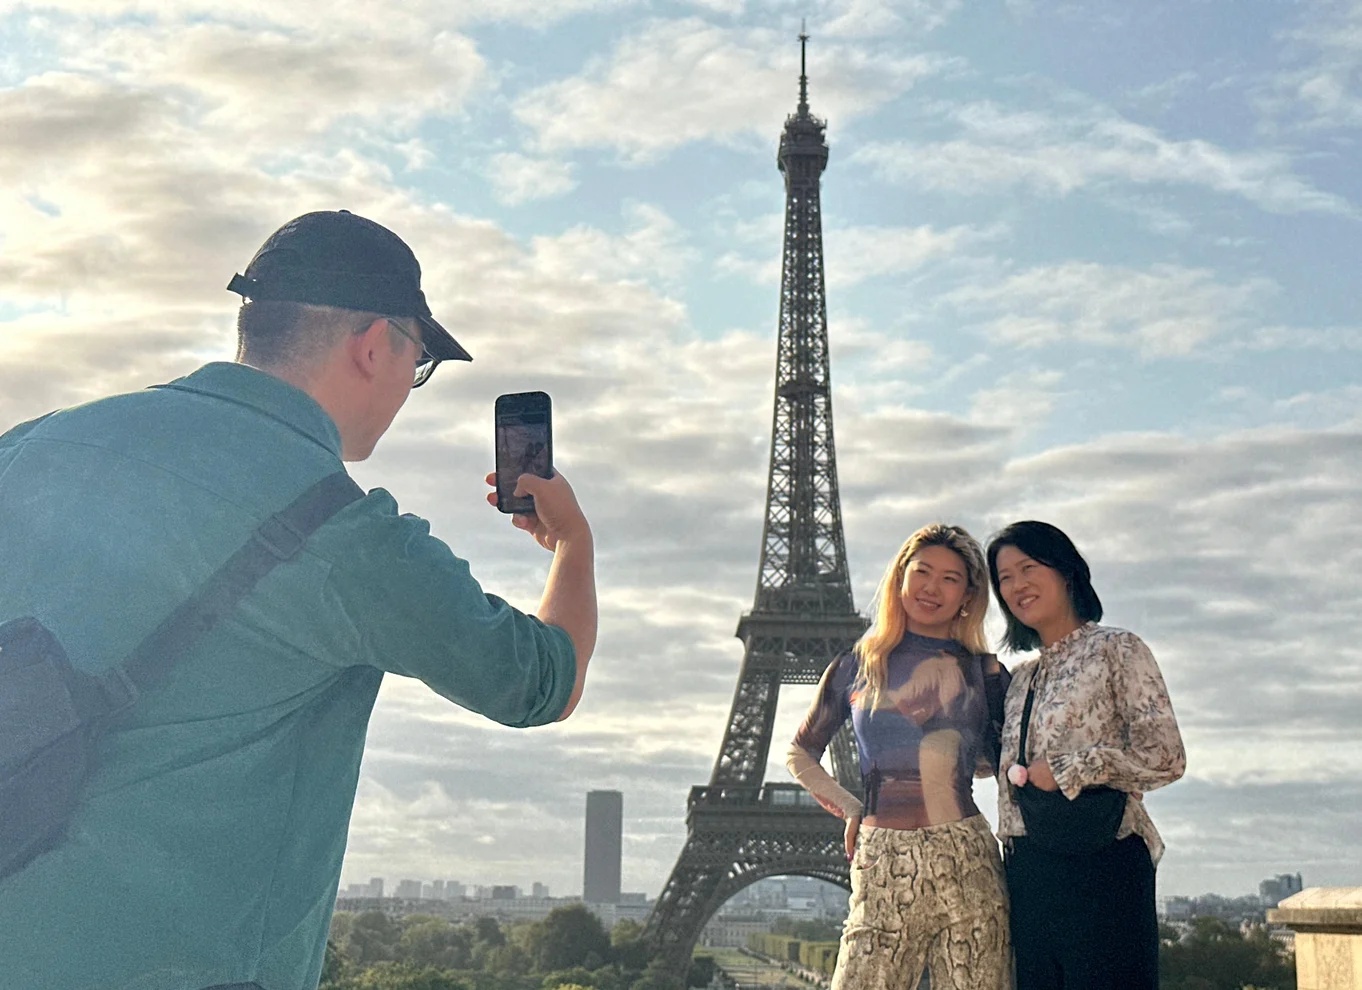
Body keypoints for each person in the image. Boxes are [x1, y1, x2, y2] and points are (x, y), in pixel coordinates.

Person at [0, 210, 597, 990]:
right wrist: (573, 544)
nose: (409, 387)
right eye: (419, 362)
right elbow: (543, 681)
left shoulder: (30, 445)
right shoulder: (348, 536)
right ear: (374, 345)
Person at [787, 524, 1011, 990]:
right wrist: (849, 805)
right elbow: (801, 750)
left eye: (950, 579)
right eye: (922, 572)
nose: (932, 587)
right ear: (900, 577)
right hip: (882, 860)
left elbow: (1009, 762)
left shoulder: (985, 673)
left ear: (968, 595)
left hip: (966, 861)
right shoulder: (855, 666)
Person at [988, 520, 1185, 990]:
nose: (1016, 585)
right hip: (1027, 871)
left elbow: (1166, 756)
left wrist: (1070, 769)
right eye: (1005, 578)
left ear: (1066, 571)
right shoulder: (1021, 678)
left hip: (1100, 864)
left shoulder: (1117, 649)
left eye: (1028, 568)